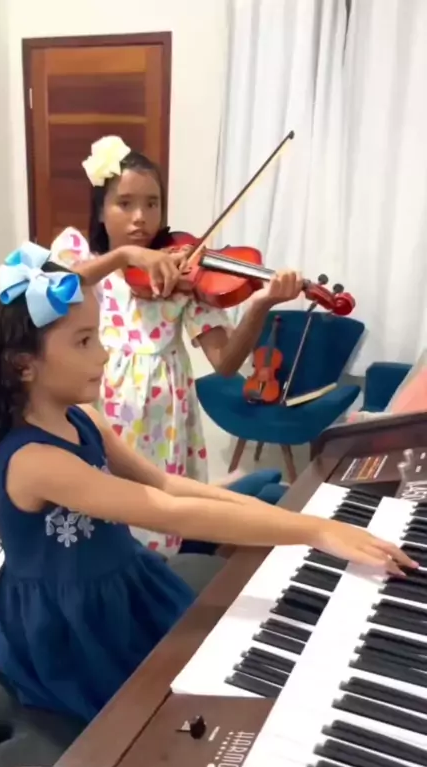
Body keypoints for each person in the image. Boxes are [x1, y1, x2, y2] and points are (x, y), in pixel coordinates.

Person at [0, 242, 415, 723]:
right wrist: (316, 531)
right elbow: (167, 512)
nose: (104, 353)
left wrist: (291, 517)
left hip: (122, 579)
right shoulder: (34, 461)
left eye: (97, 335)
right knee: (166, 711)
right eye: (83, 342)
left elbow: (164, 485)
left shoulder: (84, 419)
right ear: (23, 365)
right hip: (71, 625)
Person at [51, 135, 304, 556]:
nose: (141, 218)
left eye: (152, 204)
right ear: (100, 209)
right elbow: (56, 287)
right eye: (125, 203)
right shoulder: (77, 254)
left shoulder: (183, 271)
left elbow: (226, 363)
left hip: (163, 424)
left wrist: (261, 304)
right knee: (104, 516)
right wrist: (125, 256)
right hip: (100, 412)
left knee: (161, 521)